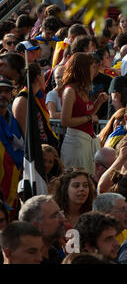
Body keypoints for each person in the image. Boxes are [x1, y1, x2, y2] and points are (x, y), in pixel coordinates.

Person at [60, 53, 108, 174]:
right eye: (92, 67)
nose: (95, 70)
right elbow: (65, 121)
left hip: (87, 143)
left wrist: (98, 102)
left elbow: (89, 114)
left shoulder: (83, 89)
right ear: (84, 69)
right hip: (76, 144)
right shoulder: (70, 91)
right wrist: (88, 118)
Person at [12, 63, 58, 149]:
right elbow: (25, 134)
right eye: (43, 74)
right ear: (38, 77)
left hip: (44, 147)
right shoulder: (22, 100)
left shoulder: (35, 96)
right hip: (34, 151)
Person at [18, 195, 66, 264]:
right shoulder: (27, 261)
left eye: (61, 213)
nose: (63, 219)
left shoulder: (54, 254)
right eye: (55, 216)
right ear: (35, 227)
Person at [0, 76, 24, 210]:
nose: (3, 95)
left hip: (11, 182)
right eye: (0, 91)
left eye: (7, 91)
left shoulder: (15, 123)